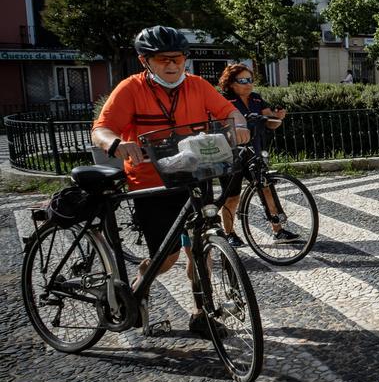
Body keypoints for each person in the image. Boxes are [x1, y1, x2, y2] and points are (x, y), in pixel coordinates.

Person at [91, 26, 251, 337]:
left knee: (199, 249)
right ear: (145, 60)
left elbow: (228, 111)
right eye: (163, 59)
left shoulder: (196, 85)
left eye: (178, 58)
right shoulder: (130, 88)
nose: (172, 65)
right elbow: (102, 128)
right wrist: (116, 144)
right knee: (167, 257)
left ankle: (201, 313)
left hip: (195, 175)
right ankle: (139, 285)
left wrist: (240, 125)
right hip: (151, 183)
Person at [216, 63, 299, 245]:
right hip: (231, 155)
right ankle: (230, 234)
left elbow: (270, 122)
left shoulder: (256, 99)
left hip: (254, 152)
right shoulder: (224, 101)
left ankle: (278, 230)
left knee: (266, 188)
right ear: (230, 83)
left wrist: (279, 117)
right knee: (232, 197)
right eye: (243, 80)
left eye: (250, 79)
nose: (248, 84)